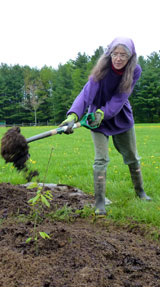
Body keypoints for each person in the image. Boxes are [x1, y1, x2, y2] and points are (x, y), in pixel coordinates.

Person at [60, 37, 151, 217]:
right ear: (109, 54)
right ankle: (100, 202)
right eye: (115, 54)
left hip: (120, 116)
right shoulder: (102, 68)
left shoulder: (135, 71)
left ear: (130, 57)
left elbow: (120, 97)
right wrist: (73, 115)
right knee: (100, 159)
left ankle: (140, 191)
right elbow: (86, 93)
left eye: (123, 55)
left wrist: (104, 113)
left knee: (132, 156)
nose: (118, 59)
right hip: (95, 120)